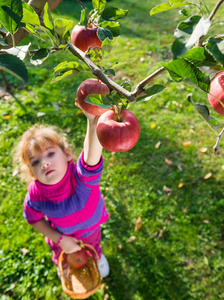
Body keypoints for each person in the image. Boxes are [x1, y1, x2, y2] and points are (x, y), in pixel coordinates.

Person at [14, 110, 110, 278]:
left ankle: (97, 259)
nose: (44, 163)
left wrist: (93, 122)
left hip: (90, 232)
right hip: (61, 236)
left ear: (66, 155)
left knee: (93, 247)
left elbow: (91, 159)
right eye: (36, 162)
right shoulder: (36, 194)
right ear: (32, 173)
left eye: (50, 153)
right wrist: (59, 239)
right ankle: (64, 266)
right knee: (62, 255)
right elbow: (33, 218)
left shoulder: (80, 178)